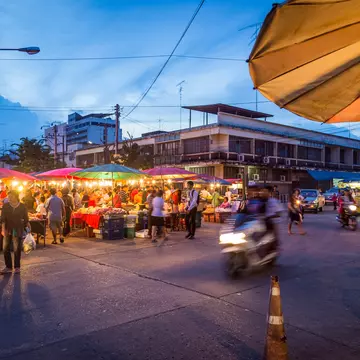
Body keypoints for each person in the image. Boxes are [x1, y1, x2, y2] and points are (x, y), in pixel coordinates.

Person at [1, 190, 29, 274]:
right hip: (7, 229)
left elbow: (26, 219)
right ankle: (8, 266)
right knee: (5, 248)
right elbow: (2, 219)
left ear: (16, 196)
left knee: (17, 248)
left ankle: (17, 267)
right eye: (8, 196)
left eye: (11, 196)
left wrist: (27, 226)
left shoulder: (22, 206)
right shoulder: (6, 206)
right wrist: (3, 230)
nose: (9, 198)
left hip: (17, 229)